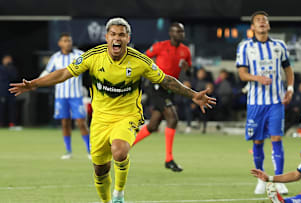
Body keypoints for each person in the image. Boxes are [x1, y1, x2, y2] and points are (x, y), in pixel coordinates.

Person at [9, 17, 216, 203]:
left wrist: (193, 94)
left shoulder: (139, 61)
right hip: (100, 119)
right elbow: (64, 73)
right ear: (107, 37)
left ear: (128, 38)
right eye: (113, 34)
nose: (117, 38)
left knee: (119, 150)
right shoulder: (93, 57)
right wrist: (34, 84)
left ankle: (119, 193)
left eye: (122, 35)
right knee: (100, 169)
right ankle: (107, 201)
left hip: (127, 115)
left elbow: (167, 80)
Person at [236, 11, 294, 195]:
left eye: (265, 20)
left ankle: (279, 179)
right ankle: (262, 180)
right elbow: (242, 73)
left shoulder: (279, 46)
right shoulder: (245, 47)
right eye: (258, 21)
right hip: (255, 102)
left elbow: (288, 69)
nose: (262, 23)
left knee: (276, 138)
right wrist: (257, 78)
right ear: (252, 27)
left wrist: (290, 88)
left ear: (268, 26)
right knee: (258, 140)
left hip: (276, 101)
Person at [132, 22, 192, 172]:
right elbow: (144, 58)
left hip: (170, 89)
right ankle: (169, 159)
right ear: (171, 33)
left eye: (182, 31)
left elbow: (189, 71)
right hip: (156, 86)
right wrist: (148, 72)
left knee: (153, 126)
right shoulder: (160, 46)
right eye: (177, 31)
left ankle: (125, 146)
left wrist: (187, 69)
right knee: (172, 118)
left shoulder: (185, 51)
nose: (181, 34)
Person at [40, 33, 90, 160]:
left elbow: (91, 65)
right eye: (65, 41)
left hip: (76, 95)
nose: (68, 43)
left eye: (69, 40)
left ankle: (90, 151)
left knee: (81, 122)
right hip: (61, 96)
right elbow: (48, 72)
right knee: (65, 123)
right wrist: (37, 82)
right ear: (60, 43)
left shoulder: (79, 54)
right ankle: (68, 151)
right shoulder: (55, 57)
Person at [0, 55, 18, 127]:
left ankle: (12, 123)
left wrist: (9, 67)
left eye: (9, 59)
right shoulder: (1, 68)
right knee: (1, 108)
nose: (8, 60)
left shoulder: (12, 68)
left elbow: (14, 77)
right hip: (2, 91)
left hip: (11, 91)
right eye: (6, 59)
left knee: (12, 108)